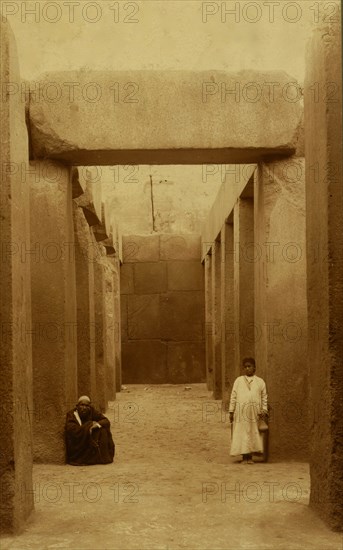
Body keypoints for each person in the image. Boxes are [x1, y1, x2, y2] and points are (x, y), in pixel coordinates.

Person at [229, 357, 268, 464]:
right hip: (241, 412)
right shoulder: (238, 381)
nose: (247, 369)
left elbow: (264, 397)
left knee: (252, 432)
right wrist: (231, 411)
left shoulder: (260, 382)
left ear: (254, 368)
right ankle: (244, 457)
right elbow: (233, 396)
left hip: (254, 412)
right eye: (245, 367)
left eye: (249, 366)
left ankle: (250, 456)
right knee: (242, 433)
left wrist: (264, 409)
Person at [65, 395, 115, 466]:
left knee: (103, 430)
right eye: (82, 405)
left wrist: (96, 425)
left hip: (88, 442)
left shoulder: (92, 411)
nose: (84, 408)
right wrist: (89, 425)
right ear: (77, 406)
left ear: (90, 406)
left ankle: (104, 456)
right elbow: (72, 430)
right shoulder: (72, 415)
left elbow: (106, 421)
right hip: (77, 446)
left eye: (87, 406)